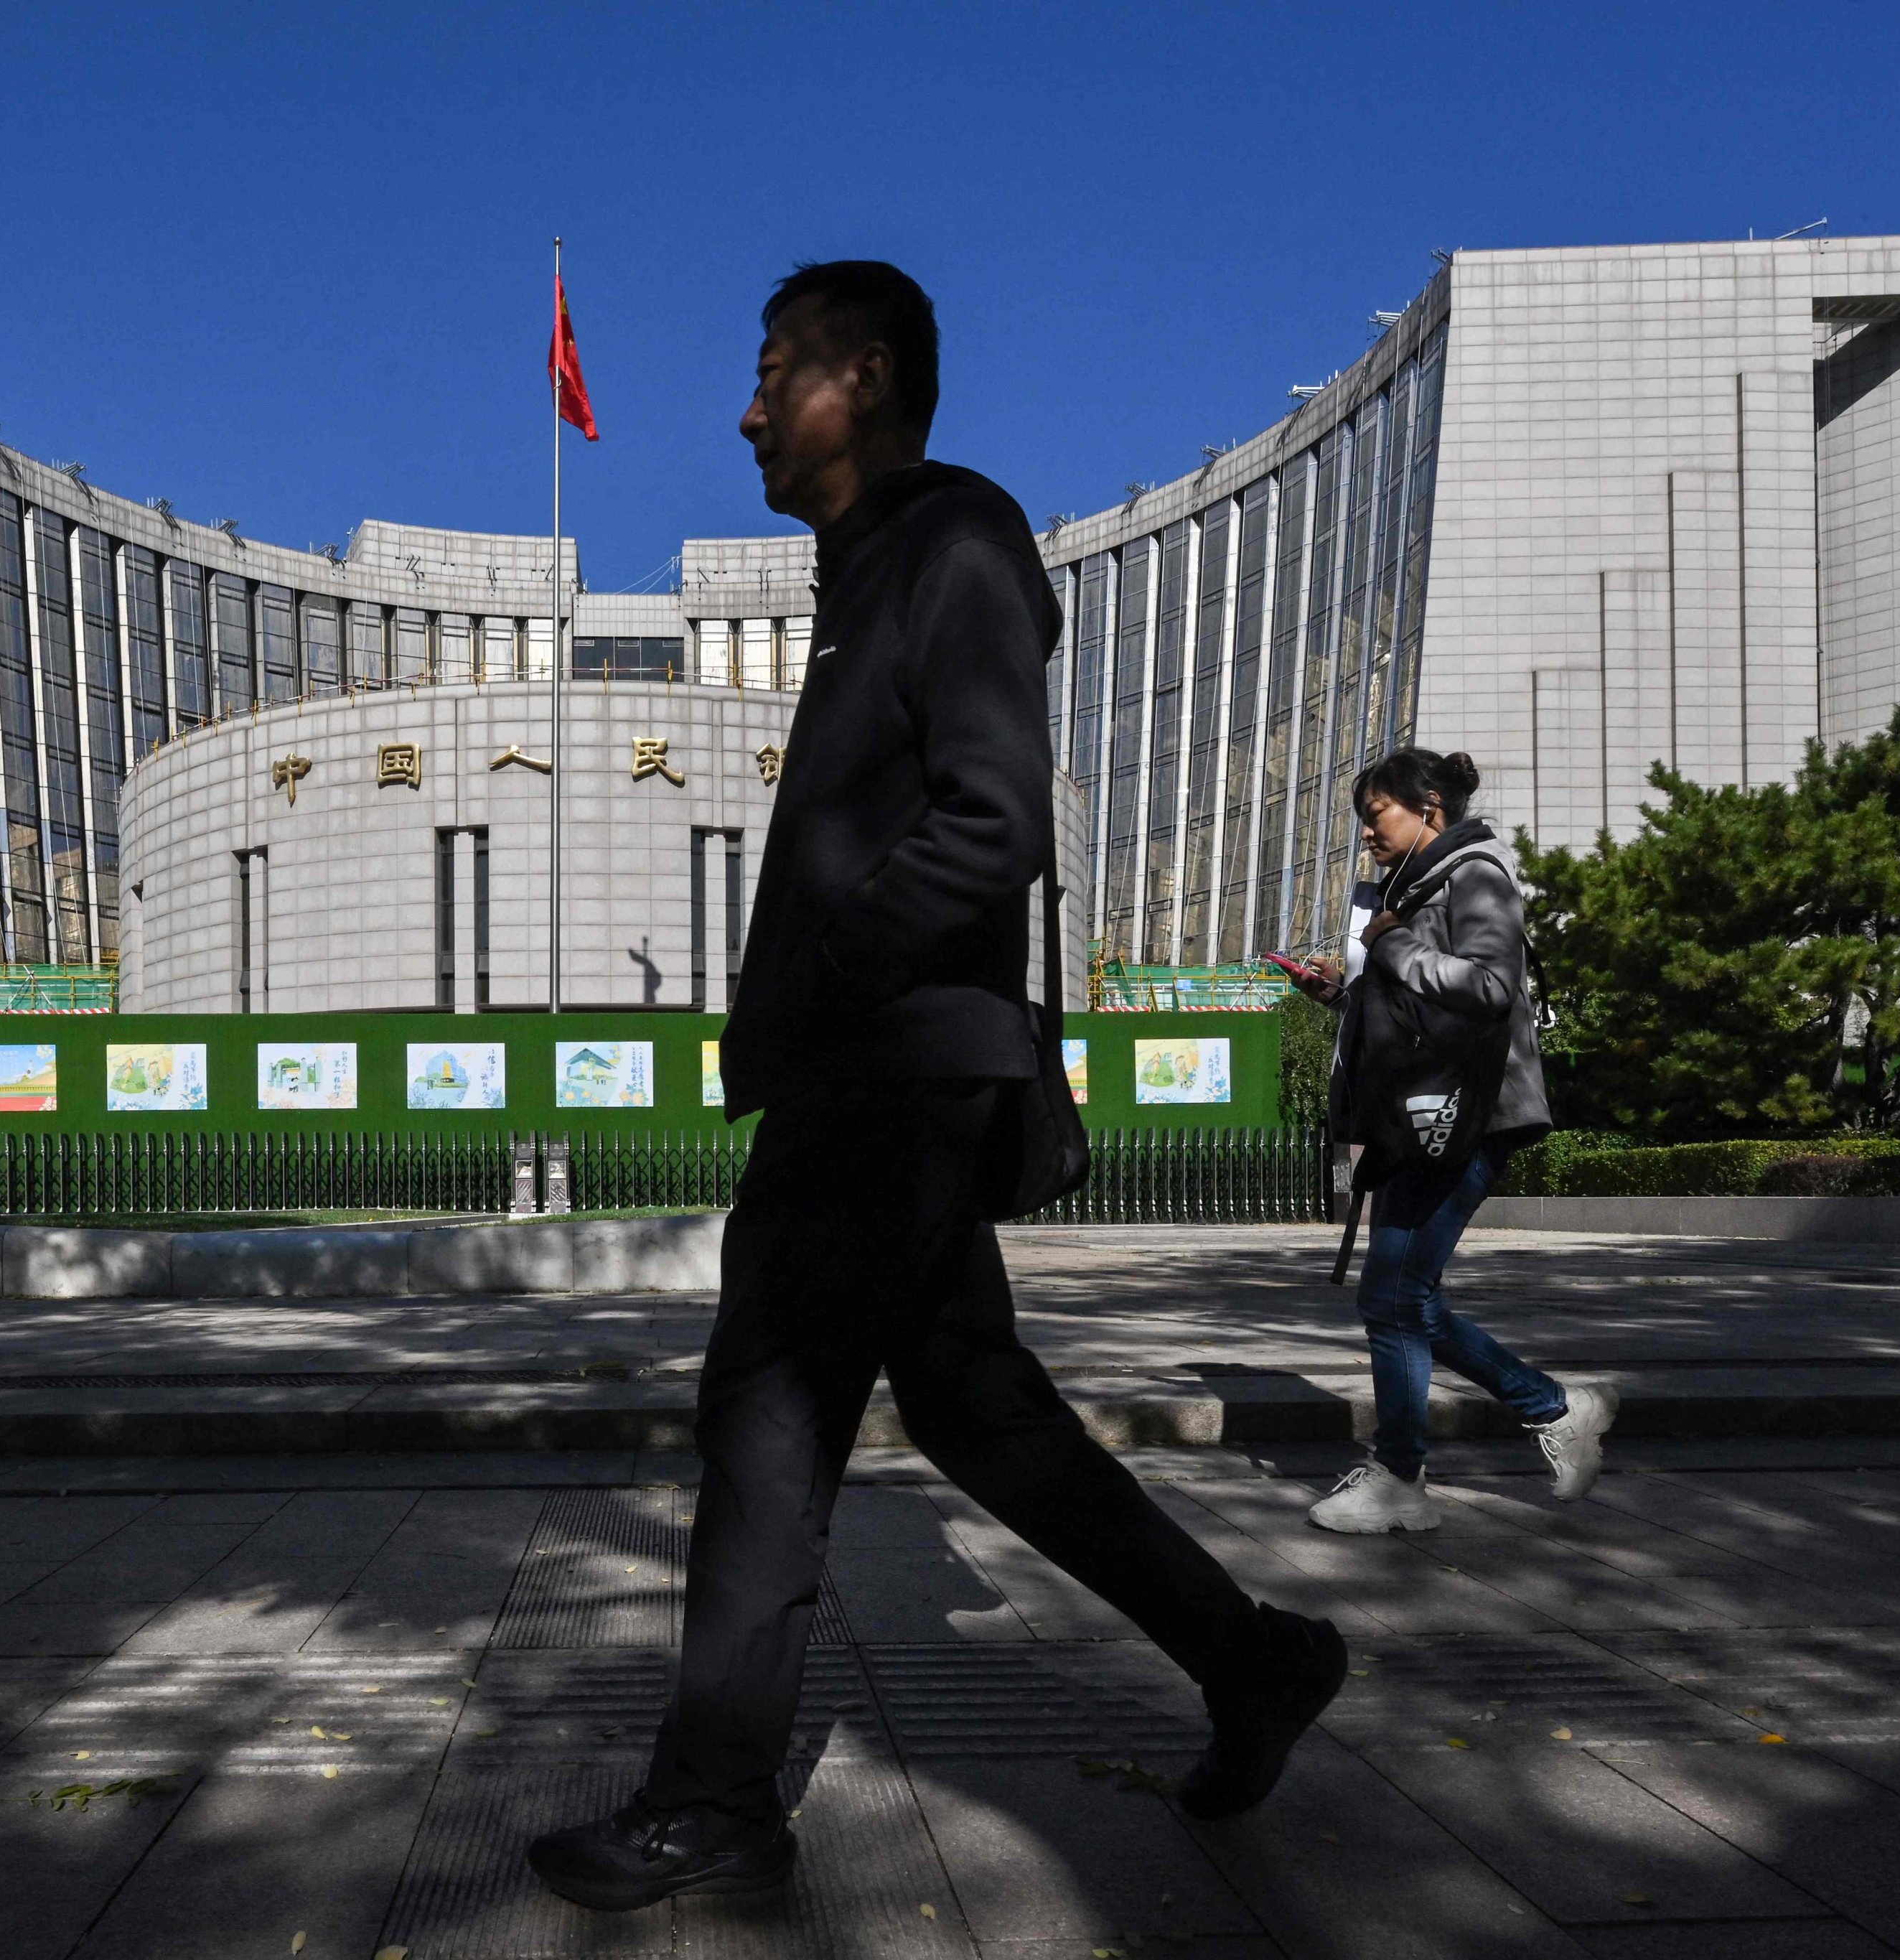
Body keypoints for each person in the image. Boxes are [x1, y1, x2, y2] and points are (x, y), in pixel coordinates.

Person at [528, 261, 1347, 1915]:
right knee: (979, 1410)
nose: (749, 410)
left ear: (869, 378)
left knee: (765, 1411)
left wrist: (827, 975)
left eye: (776, 373)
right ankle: (1252, 1659)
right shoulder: (869, 573)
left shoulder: (951, 547)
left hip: (886, 1071)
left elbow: (997, 821)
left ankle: (714, 1796)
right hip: (883, 1062)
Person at [1281, 748, 1617, 1534]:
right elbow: (1416, 1020)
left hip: (1469, 1113)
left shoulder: (1476, 874)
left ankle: (1402, 1476)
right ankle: (1557, 1408)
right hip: (1426, 1114)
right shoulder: (1420, 885)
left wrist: (1393, 948)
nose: (1367, 831)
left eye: (1377, 813)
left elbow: (1491, 989)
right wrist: (1340, 995)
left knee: (1393, 1298)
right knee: (1404, 1298)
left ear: (1429, 806)